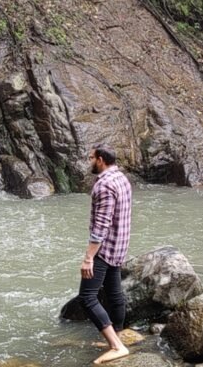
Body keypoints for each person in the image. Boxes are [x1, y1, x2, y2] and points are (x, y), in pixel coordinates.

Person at [77, 145, 132, 364]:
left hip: (104, 249)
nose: (89, 161)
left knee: (87, 297)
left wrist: (88, 257)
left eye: (91, 158)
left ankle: (117, 346)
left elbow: (101, 225)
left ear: (100, 160)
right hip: (119, 246)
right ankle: (116, 338)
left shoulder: (105, 185)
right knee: (114, 293)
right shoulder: (122, 179)